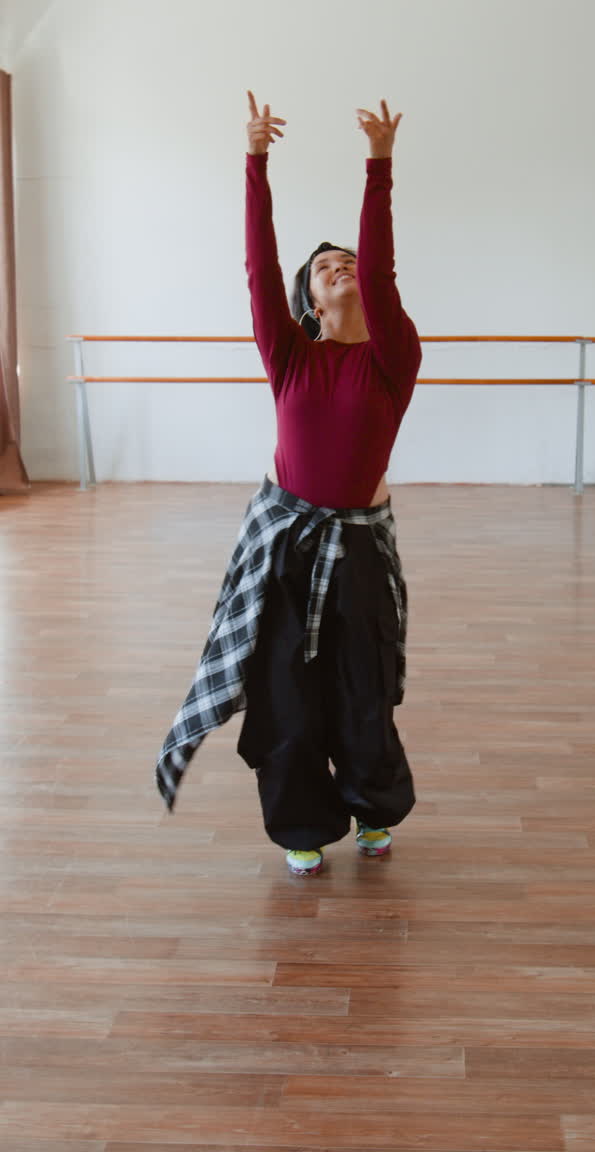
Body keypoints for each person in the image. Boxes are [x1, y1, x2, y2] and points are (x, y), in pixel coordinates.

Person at [155, 92, 422, 876]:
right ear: (309, 298)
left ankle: (374, 809)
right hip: (285, 549)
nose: (339, 270)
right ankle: (301, 823)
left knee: (362, 694)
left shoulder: (391, 359)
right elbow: (258, 267)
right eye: (324, 269)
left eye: (346, 266)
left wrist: (380, 165)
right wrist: (255, 162)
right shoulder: (292, 358)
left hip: (361, 555)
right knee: (286, 695)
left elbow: (380, 266)